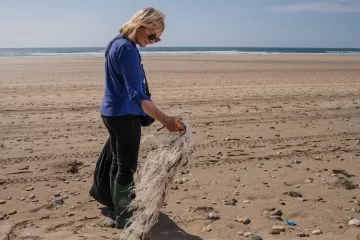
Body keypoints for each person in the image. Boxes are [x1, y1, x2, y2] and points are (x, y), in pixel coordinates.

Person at [99, 7, 184, 229]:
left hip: (110, 112)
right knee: (126, 167)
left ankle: (117, 209)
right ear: (144, 27)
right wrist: (166, 120)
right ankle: (126, 219)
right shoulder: (127, 49)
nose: (155, 41)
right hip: (125, 116)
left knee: (118, 162)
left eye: (158, 38)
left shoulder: (114, 43)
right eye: (154, 35)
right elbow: (136, 95)